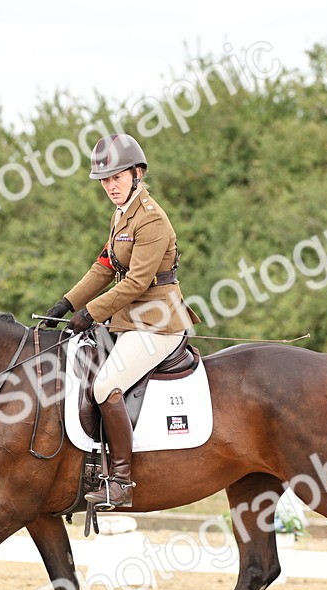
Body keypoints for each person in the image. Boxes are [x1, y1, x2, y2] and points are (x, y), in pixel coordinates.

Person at [41, 133, 200, 508]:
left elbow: (136, 282)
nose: (110, 186)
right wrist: (64, 303)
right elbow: (104, 267)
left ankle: (121, 482)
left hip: (158, 322)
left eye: (117, 177)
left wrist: (90, 313)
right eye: (105, 180)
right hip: (128, 321)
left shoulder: (152, 219)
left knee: (104, 386)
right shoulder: (121, 214)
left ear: (137, 173)